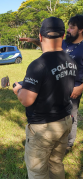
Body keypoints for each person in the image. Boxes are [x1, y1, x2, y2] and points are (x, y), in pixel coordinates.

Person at [13, 17, 76, 178]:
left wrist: (19, 89)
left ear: (40, 37)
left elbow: (27, 100)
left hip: (44, 128)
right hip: (64, 122)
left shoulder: (38, 65)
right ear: (63, 36)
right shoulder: (70, 60)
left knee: (37, 172)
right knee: (56, 164)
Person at [19, 15, 83, 152]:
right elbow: (49, 45)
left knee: (72, 114)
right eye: (69, 27)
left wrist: (81, 87)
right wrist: (34, 41)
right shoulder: (65, 42)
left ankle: (68, 143)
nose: (70, 30)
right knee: (61, 113)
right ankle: (58, 140)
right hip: (59, 82)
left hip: (75, 86)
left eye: (73, 27)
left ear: (81, 30)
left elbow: (26, 100)